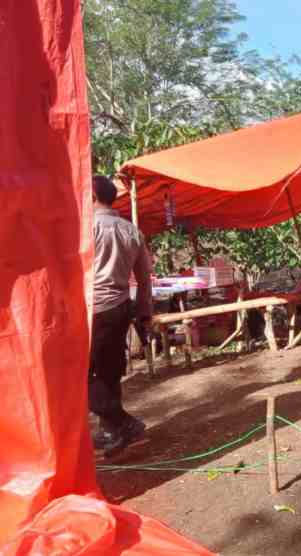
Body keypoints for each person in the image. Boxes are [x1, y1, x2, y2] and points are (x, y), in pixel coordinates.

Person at [89, 175, 153, 457]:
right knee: (109, 371)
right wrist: (144, 315)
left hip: (94, 309)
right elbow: (144, 279)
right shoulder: (132, 231)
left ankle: (122, 423)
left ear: (91, 195)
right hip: (120, 307)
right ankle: (111, 431)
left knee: (77, 377)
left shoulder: (85, 229)